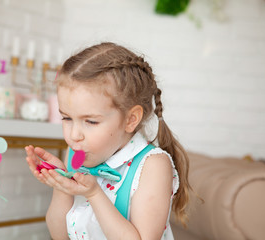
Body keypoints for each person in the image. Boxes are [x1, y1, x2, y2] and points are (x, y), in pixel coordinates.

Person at [25, 42, 191, 240]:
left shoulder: (152, 165)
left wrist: (94, 194)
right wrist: (61, 187)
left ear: (130, 120)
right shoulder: (78, 155)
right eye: (67, 118)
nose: (74, 135)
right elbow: (60, 235)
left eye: (91, 121)